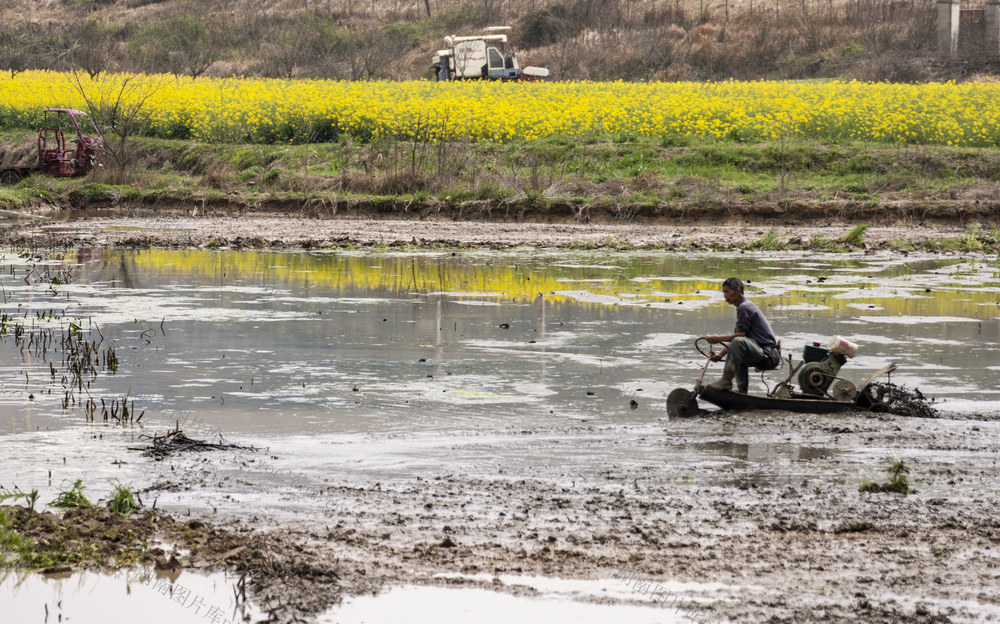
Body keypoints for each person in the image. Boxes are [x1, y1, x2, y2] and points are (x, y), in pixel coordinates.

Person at [703, 277, 780, 393]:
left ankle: (725, 381)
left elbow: (739, 338)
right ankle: (742, 393)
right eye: (723, 292)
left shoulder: (744, 307)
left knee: (738, 342)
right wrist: (719, 355)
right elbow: (737, 338)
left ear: (738, 291)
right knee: (739, 353)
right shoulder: (743, 307)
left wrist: (718, 338)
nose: (725, 296)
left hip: (768, 355)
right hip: (760, 352)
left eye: (727, 292)